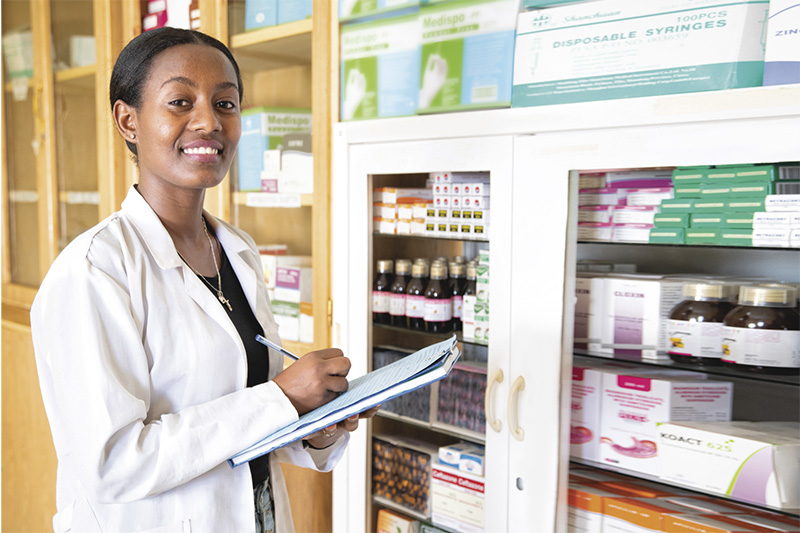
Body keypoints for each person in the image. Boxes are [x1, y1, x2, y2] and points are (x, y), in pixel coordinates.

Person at [31, 27, 375, 533]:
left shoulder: (237, 250)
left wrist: (318, 425)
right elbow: (114, 463)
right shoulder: (95, 270)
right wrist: (281, 397)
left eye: (226, 104)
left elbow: (251, 417)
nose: (208, 121)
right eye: (180, 101)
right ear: (128, 120)